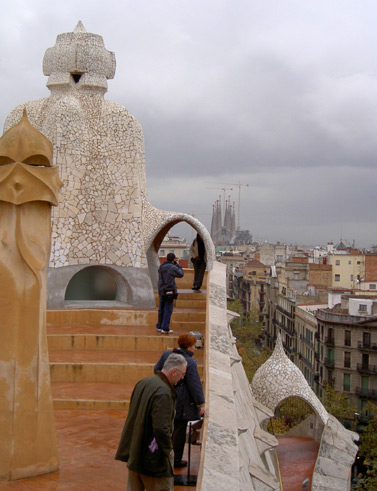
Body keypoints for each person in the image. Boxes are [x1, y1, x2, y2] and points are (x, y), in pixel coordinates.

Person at [115, 353, 187, 491]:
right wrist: (168, 451)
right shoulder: (164, 393)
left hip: (135, 454)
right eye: (182, 374)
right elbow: (161, 429)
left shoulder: (143, 383)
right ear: (174, 372)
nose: (182, 378)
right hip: (154, 461)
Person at [154, 333, 206, 469]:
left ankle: (162, 456)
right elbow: (194, 385)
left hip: (165, 397)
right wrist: (201, 404)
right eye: (194, 345)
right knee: (179, 431)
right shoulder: (190, 362)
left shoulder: (167, 355)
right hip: (181, 402)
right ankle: (176, 460)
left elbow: (156, 369)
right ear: (189, 346)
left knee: (167, 428)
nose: (195, 348)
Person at [156, 252, 184, 334]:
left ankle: (159, 326)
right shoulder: (172, 268)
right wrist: (178, 265)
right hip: (169, 290)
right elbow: (181, 274)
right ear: (173, 259)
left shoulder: (162, 266)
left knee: (161, 308)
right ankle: (165, 328)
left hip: (161, 289)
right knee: (168, 309)